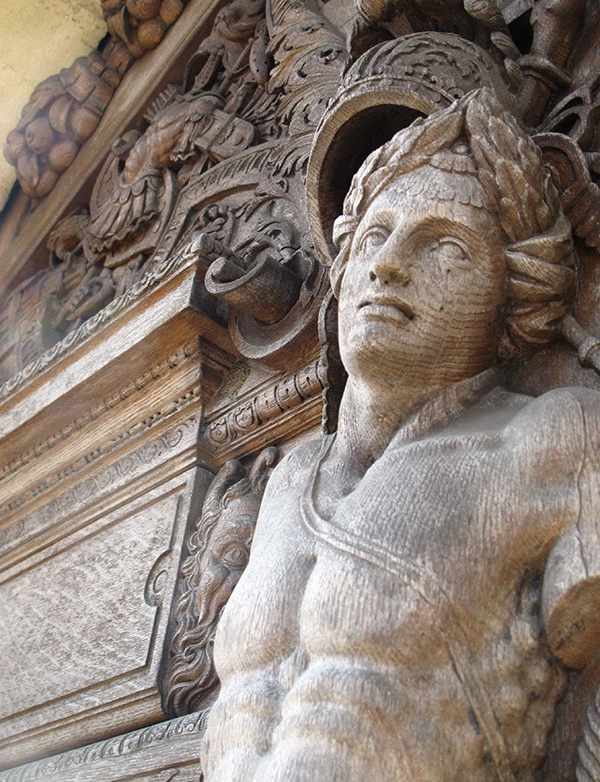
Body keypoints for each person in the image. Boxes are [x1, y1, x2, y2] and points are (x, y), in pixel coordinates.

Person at [201, 88, 600, 780]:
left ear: (517, 291)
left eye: (445, 245)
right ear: (346, 265)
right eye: (376, 236)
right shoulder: (287, 478)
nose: (389, 265)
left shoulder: (556, 439)